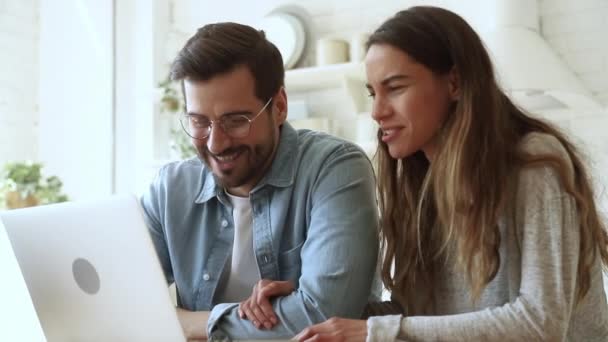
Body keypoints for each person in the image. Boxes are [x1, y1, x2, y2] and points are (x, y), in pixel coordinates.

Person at [248, 6, 608, 341]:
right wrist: (313, 303)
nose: (376, 111)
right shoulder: (420, 186)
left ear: (454, 83)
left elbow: (541, 323)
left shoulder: (535, 162)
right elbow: (419, 315)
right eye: (373, 93)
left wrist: (373, 332)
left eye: (395, 87)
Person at [139, 22, 380, 340]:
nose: (216, 144)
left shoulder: (334, 169)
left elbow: (323, 316)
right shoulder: (170, 190)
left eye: (236, 121)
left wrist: (193, 324)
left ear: (279, 107)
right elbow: (128, 307)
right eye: (199, 121)